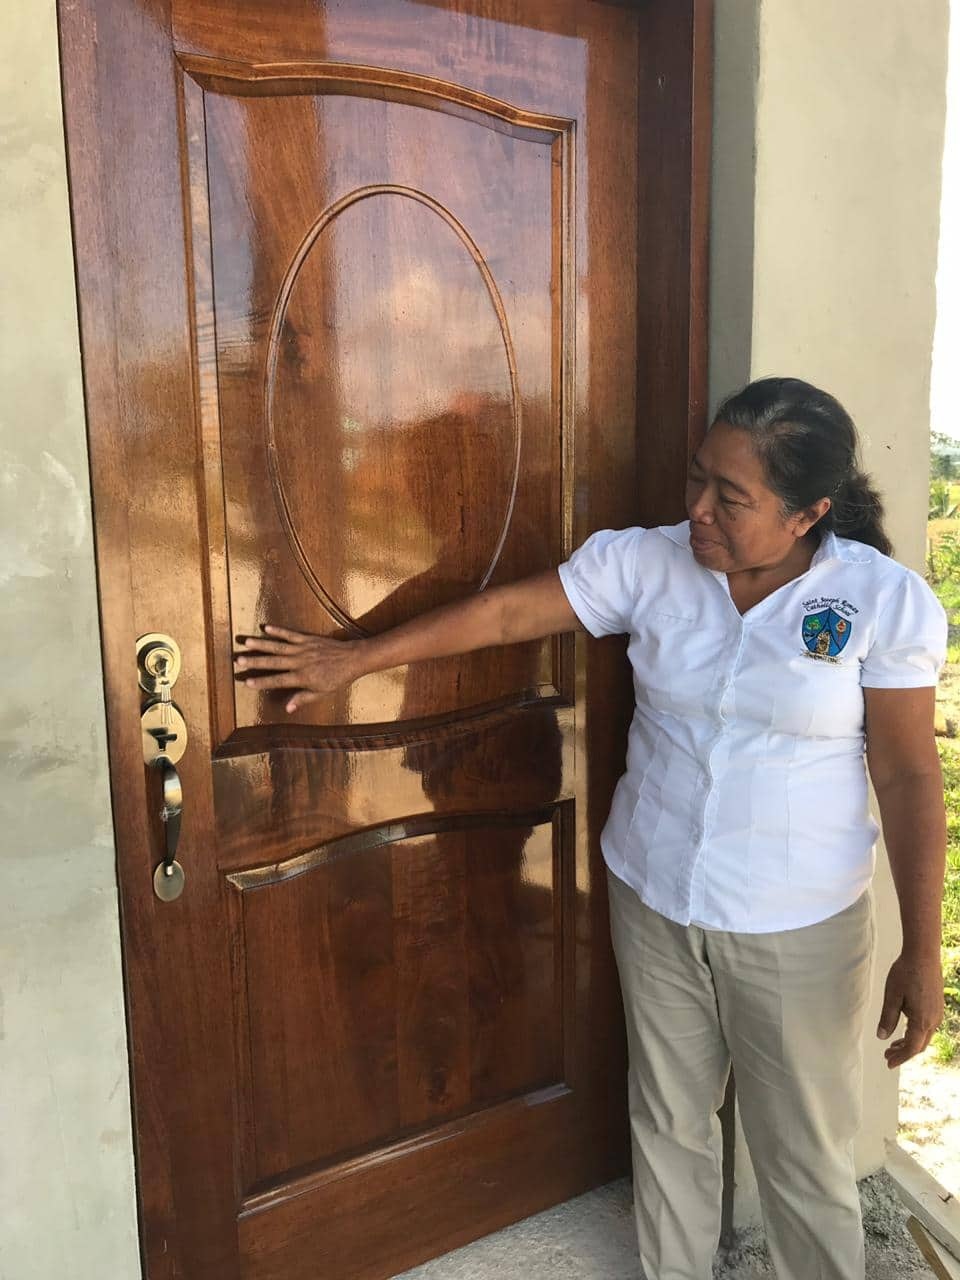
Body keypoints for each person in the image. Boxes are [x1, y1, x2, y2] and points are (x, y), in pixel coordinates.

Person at [234, 377, 948, 1280]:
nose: (697, 510)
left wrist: (920, 951)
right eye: (697, 480)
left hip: (797, 925)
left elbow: (908, 773)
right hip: (653, 893)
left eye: (731, 498)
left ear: (808, 513)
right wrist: (357, 658)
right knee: (668, 1120)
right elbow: (505, 612)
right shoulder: (645, 562)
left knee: (802, 1153)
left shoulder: (880, 603)